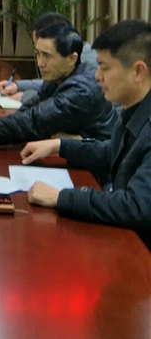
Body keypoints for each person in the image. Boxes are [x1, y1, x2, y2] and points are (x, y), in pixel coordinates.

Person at [23, 20, 151, 250]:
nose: (96, 76)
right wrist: (60, 146)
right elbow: (114, 152)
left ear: (138, 72)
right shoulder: (133, 108)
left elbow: (136, 206)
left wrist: (61, 197)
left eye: (105, 67)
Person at [0, 22, 117, 152]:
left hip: (96, 170)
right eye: (38, 54)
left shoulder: (81, 90)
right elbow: (28, 111)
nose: (40, 63)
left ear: (71, 59)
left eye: (47, 56)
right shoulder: (60, 75)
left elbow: (32, 122)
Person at [0, 12, 98, 104]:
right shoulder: (63, 68)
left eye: (46, 54)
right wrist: (17, 86)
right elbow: (49, 85)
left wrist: (24, 96)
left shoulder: (86, 63)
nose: (39, 63)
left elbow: (60, 99)